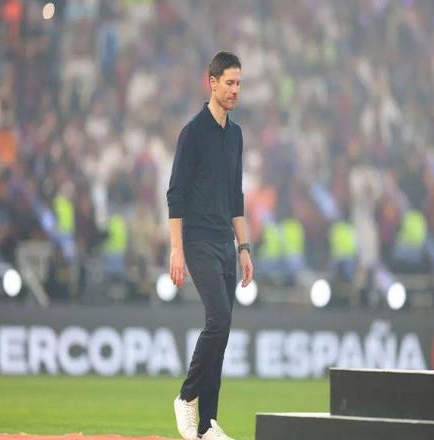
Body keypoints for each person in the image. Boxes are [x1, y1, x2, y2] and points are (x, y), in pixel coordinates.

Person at [167, 51, 253, 440]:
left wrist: (244, 247)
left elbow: (236, 196)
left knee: (222, 331)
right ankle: (186, 397)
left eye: (239, 84)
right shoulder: (193, 133)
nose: (235, 90)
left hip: (224, 242)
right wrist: (176, 249)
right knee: (218, 321)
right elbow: (176, 194)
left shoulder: (235, 135)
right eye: (229, 83)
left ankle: (207, 426)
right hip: (197, 238)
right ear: (212, 82)